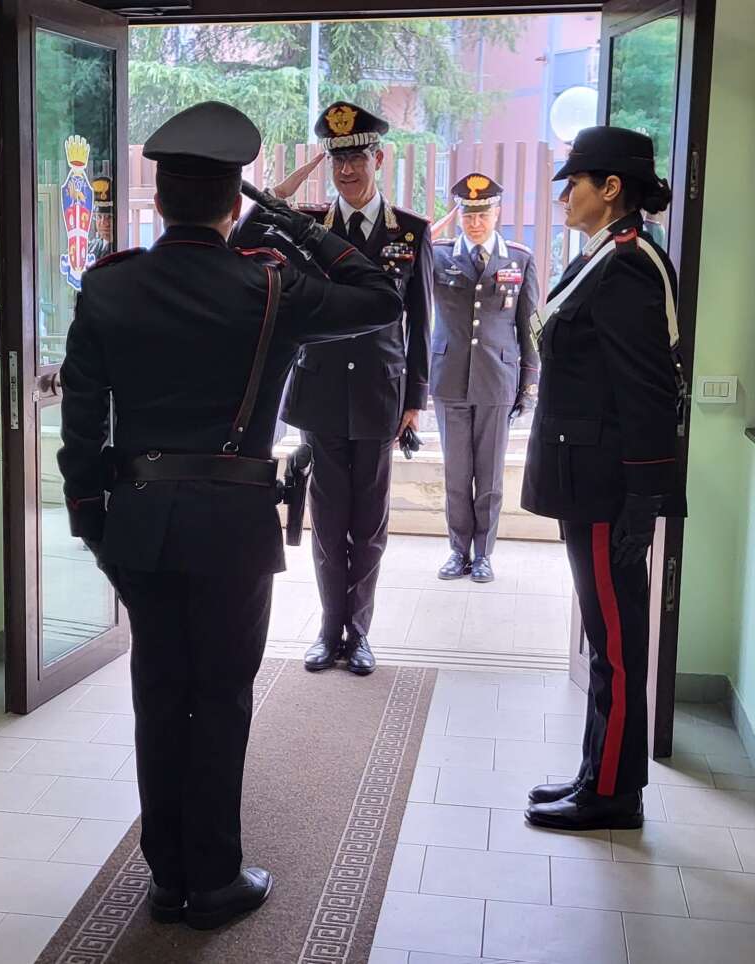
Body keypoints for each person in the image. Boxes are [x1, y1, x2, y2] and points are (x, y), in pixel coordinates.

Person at [57, 101, 403, 929]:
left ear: (160, 199)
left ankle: (166, 876)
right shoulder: (270, 287)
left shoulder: (110, 286)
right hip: (234, 527)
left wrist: (91, 517)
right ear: (232, 205)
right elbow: (381, 295)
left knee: (157, 691)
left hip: (137, 520)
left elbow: (81, 416)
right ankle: (213, 876)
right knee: (219, 698)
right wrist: (292, 219)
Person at [520, 126, 687, 832]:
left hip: (606, 486)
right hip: (583, 475)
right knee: (603, 637)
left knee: (616, 646)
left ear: (611, 188)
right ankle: (600, 772)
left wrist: (644, 502)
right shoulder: (604, 257)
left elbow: (648, 391)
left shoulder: (629, 265)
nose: (565, 195)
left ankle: (614, 794)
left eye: (575, 182)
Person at [235, 100, 432, 677]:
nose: (347, 172)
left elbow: (420, 323)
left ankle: (360, 631)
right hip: (320, 393)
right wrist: (285, 186)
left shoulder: (411, 232)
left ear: (378, 158)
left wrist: (415, 401)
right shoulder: (309, 226)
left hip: (379, 394)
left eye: (357, 160)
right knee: (327, 518)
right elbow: (249, 233)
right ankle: (327, 630)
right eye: (337, 161)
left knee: (368, 523)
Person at [428, 172, 539, 583]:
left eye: (483, 212)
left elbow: (528, 327)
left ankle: (484, 553)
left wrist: (529, 383)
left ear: (497, 212)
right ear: (459, 215)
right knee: (457, 474)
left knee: (489, 476)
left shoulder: (518, 258)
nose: (475, 222)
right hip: (449, 377)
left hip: (497, 377)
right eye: (468, 213)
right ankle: (458, 551)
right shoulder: (436, 254)